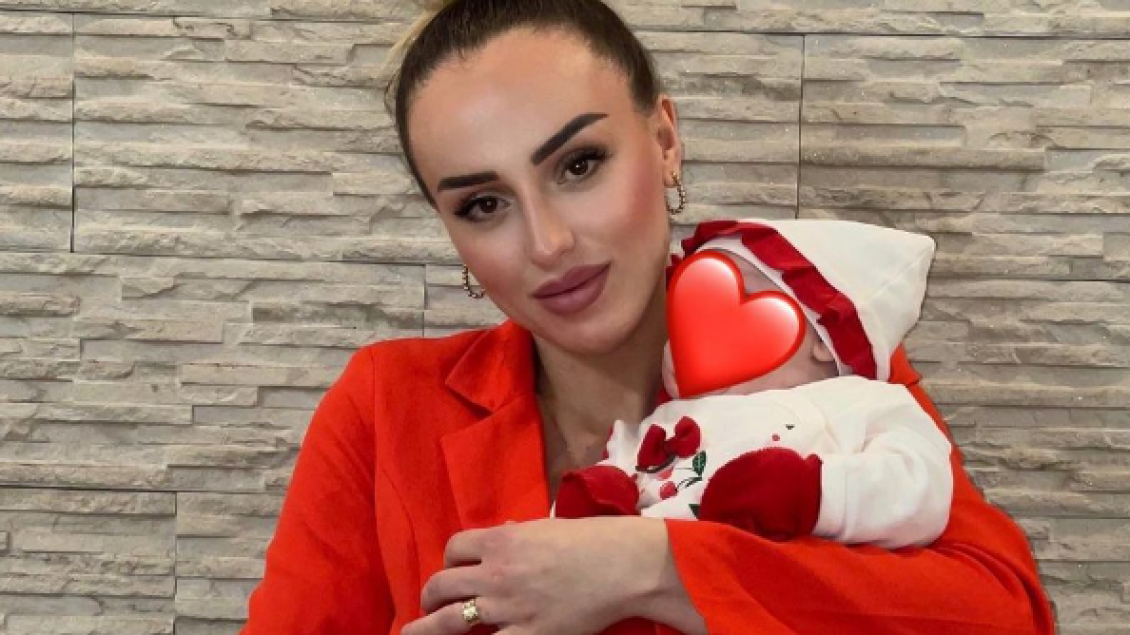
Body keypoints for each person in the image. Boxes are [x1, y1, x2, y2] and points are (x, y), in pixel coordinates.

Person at [238, 0, 1057, 633]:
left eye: (579, 164)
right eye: (484, 204)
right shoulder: (386, 407)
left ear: (665, 140)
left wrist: (652, 566)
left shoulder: (809, 349)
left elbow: (1004, 614)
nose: (549, 243)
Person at [555, 219, 955, 552]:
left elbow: (921, 486)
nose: (694, 331)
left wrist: (812, 494)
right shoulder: (664, 421)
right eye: (688, 307)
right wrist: (597, 499)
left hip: (763, 590)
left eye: (736, 298)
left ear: (822, 337)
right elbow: (617, 467)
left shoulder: (861, 402)